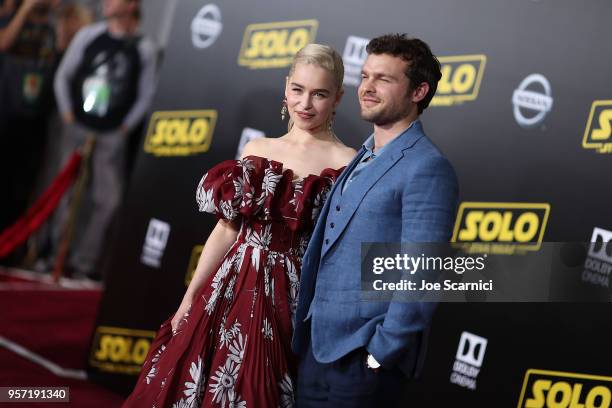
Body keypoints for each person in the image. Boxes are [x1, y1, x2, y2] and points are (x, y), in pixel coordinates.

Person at [124, 44, 355, 408]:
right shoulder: (257, 147)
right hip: (231, 284)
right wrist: (189, 299)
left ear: (338, 97)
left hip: (292, 297)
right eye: (298, 89)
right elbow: (226, 230)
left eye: (319, 94)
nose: (305, 103)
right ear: (285, 87)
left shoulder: (349, 163)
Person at [292, 34, 459, 407]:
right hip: (317, 351)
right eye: (365, 76)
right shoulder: (363, 154)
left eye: (383, 79)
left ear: (419, 91)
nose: (367, 87)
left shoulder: (428, 168)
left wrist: (379, 353)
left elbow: (423, 273)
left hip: (364, 362)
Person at [50, 0, 157, 279]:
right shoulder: (90, 35)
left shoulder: (143, 48)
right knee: (65, 194)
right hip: (77, 128)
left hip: (112, 136)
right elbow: (63, 75)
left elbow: (147, 94)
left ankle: (84, 262)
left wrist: (124, 127)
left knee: (107, 200)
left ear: (131, 4)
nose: (106, 3)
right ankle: (54, 257)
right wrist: (68, 114)